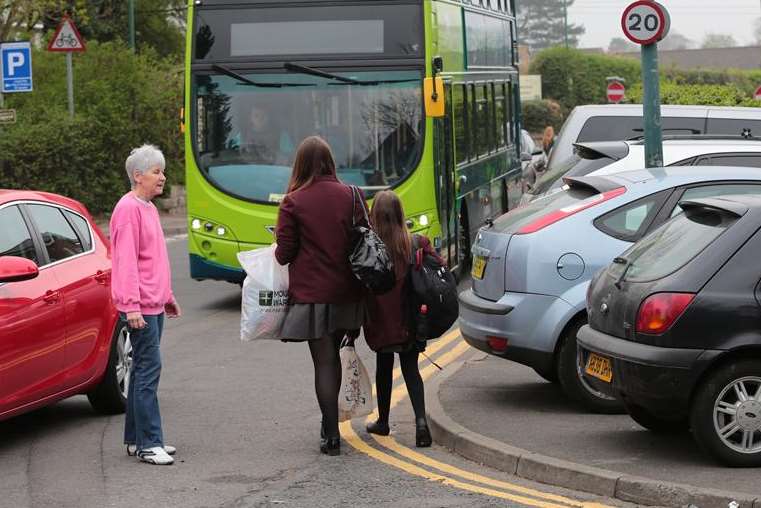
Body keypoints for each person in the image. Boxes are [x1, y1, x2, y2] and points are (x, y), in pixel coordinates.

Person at [274, 136, 365, 456]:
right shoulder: (353, 195)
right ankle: (332, 429)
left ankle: (330, 435)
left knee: (323, 362)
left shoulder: (293, 201)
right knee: (335, 359)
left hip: (312, 294)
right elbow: (364, 241)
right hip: (347, 291)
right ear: (330, 162)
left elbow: (284, 254)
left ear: (300, 165)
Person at [110, 144, 182, 466]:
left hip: (153, 304)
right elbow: (125, 262)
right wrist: (132, 306)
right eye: (156, 171)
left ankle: (134, 439)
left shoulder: (148, 208)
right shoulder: (127, 210)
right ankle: (150, 443)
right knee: (149, 371)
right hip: (139, 307)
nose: (162, 177)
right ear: (138, 176)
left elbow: (154, 261)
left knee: (140, 371)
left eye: (162, 171)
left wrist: (167, 296)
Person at [363, 190, 440, 448]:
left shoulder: (370, 249)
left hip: (380, 322)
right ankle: (420, 422)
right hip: (410, 321)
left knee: (383, 368)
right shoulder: (416, 243)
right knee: (411, 370)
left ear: (375, 216)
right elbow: (439, 268)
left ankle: (383, 421)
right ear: (399, 214)